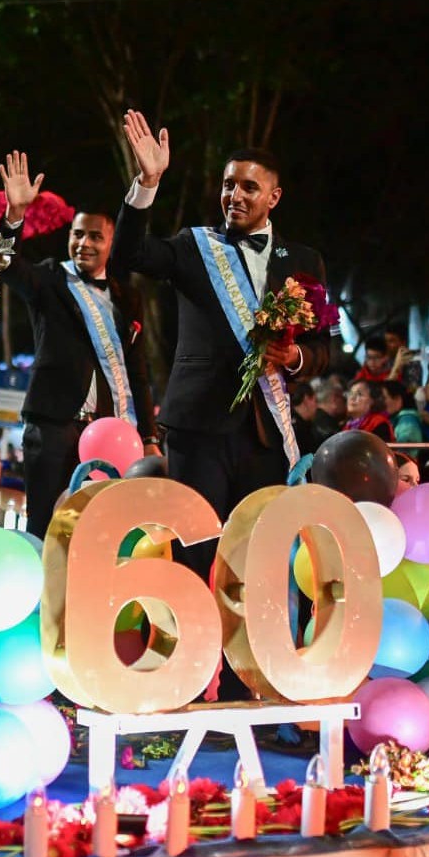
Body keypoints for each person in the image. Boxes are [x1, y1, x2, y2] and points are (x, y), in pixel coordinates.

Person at [109, 111, 334, 579]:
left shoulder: (306, 261)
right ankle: (199, 652)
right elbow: (130, 255)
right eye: (229, 185)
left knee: (261, 559)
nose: (234, 195)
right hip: (198, 429)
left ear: (274, 197)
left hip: (265, 435)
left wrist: (295, 357)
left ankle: (247, 654)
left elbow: (326, 348)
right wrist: (148, 183)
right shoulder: (196, 247)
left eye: (249, 187)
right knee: (195, 551)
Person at [0, 151, 157, 539]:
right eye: (77, 234)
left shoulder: (126, 297)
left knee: (103, 529)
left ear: (112, 241)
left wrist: (149, 437)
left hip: (109, 430)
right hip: (53, 427)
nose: (83, 243)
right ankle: (44, 601)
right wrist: (14, 215)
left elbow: (138, 371)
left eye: (95, 236)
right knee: (44, 527)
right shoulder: (50, 280)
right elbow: (4, 263)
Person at [380, 380, 424, 445]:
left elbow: (405, 453)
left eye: (383, 398)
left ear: (398, 400)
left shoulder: (408, 422)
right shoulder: (392, 420)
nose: (379, 403)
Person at [290, 382, 328, 455]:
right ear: (306, 399)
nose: (317, 406)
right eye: (315, 401)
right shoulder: (297, 429)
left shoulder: (287, 420)